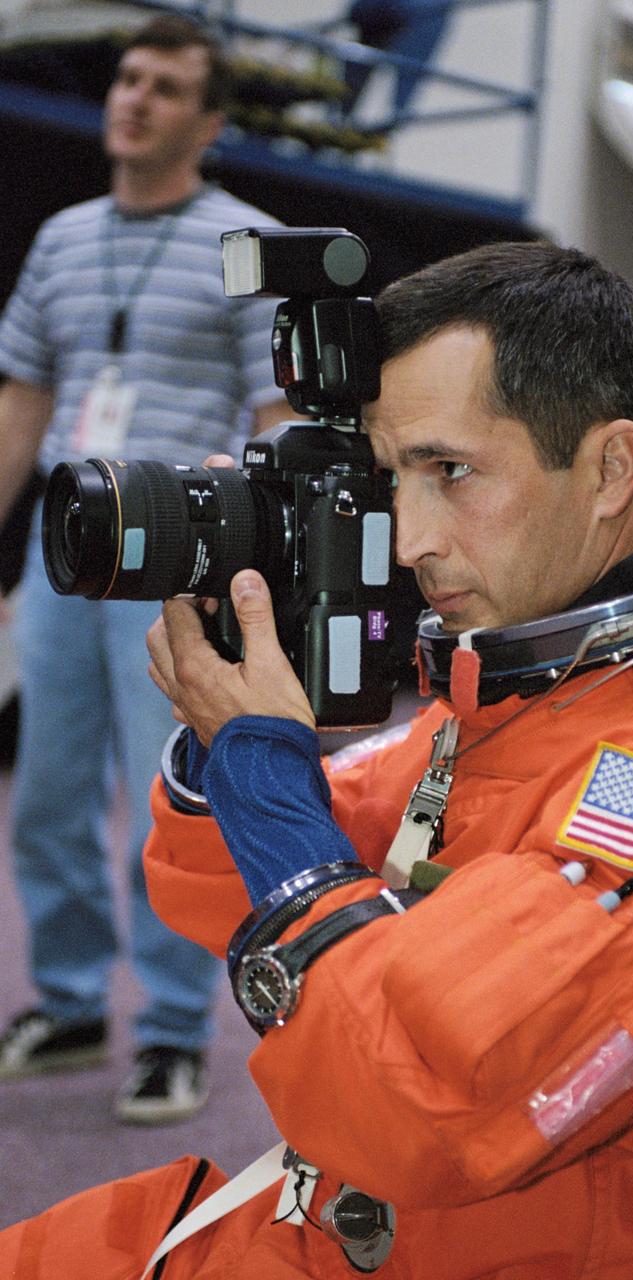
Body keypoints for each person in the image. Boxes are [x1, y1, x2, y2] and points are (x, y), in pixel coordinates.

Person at [1, 240, 633, 1276]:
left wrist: (264, 776)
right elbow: (227, 887)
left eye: (449, 471)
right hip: (368, 1231)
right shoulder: (540, 692)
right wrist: (234, 723)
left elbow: (425, 1100)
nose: (405, 541)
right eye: (387, 478)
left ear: (608, 468)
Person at [0, 14, 289, 1123]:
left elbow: (273, 418)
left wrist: (247, 573)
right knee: (49, 792)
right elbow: (27, 397)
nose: (135, 99)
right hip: (61, 551)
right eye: (128, 79)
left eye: (166, 88)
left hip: (173, 560)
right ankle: (71, 1005)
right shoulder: (63, 237)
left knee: (164, 798)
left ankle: (172, 1028)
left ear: (209, 124)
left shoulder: (244, 244)